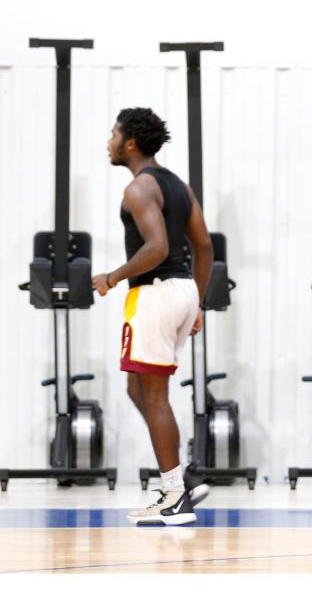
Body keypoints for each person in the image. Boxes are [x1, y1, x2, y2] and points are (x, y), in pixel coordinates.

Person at [93, 107, 213, 526]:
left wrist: (112, 276)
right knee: (138, 389)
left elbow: (158, 247)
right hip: (180, 291)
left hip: (153, 293)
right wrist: (196, 301)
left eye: (113, 133)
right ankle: (179, 477)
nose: (108, 141)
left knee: (154, 395)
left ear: (130, 143)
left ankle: (175, 494)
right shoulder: (179, 186)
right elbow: (204, 247)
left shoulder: (139, 189)